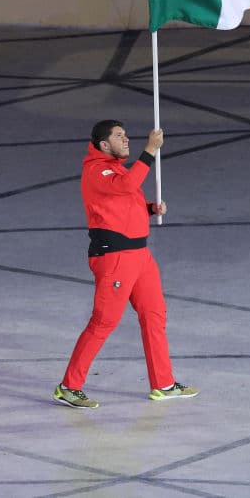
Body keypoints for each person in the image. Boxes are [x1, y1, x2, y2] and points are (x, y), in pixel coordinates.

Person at [54, 121, 199, 408]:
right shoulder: (97, 170)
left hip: (140, 256)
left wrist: (150, 208)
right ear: (104, 144)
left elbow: (124, 202)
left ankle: (163, 384)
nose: (126, 139)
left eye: (125, 134)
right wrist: (149, 151)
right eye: (119, 136)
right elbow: (127, 186)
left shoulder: (116, 168)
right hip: (115, 258)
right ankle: (69, 386)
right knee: (103, 322)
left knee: (155, 313)